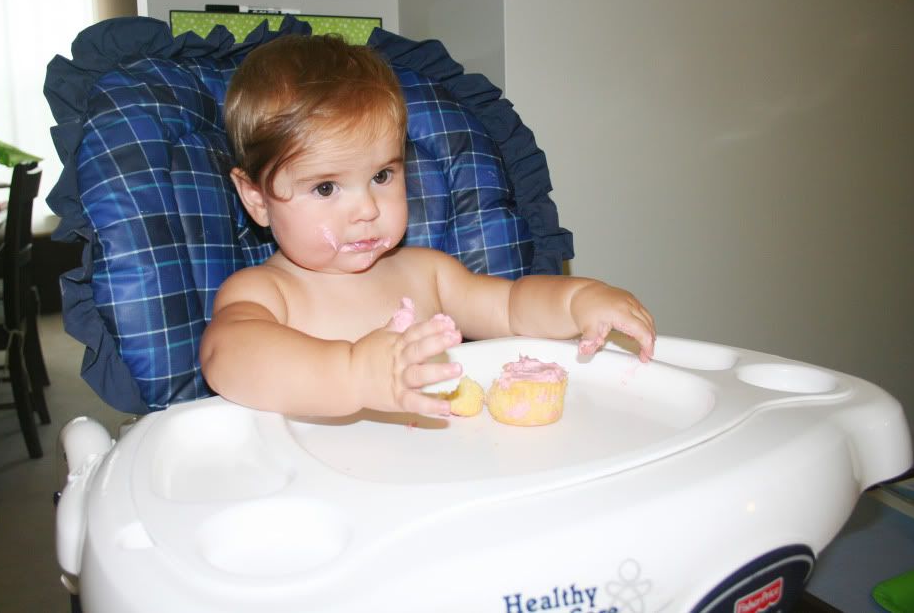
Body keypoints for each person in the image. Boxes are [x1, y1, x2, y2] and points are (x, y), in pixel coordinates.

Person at [200, 35, 655, 418]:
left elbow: (513, 306)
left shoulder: (427, 275)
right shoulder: (264, 294)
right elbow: (227, 357)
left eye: (382, 176)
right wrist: (354, 375)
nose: (367, 210)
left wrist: (579, 300)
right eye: (325, 188)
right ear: (256, 199)